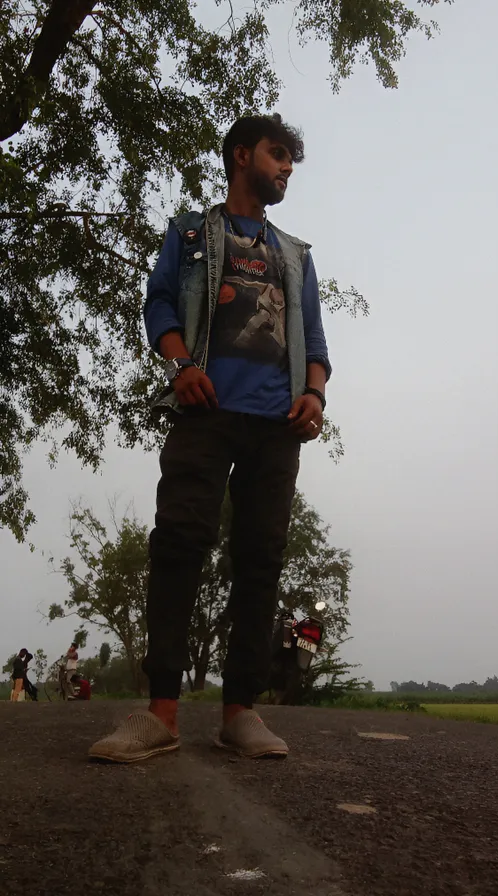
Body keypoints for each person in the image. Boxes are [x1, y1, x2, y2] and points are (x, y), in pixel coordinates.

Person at [89, 113, 331, 763]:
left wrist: (314, 395)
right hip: (206, 409)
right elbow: (159, 303)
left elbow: (316, 344)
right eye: (277, 155)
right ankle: (161, 713)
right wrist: (183, 365)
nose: (284, 169)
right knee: (179, 544)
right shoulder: (192, 233)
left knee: (260, 558)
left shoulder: (295, 255)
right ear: (240, 155)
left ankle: (240, 712)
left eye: (291, 161)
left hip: (277, 425)